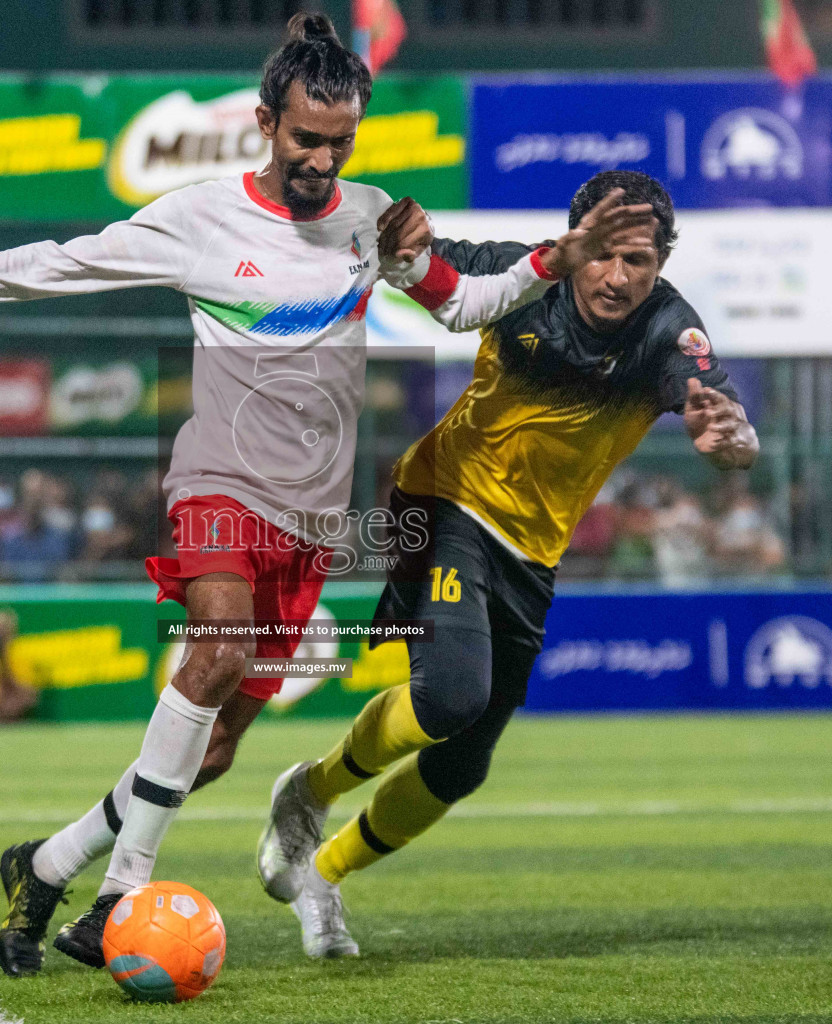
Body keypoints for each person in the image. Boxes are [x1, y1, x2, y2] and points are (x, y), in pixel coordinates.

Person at [0, 13, 655, 978]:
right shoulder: (200, 218)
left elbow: (460, 304)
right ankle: (121, 894)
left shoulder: (371, 217)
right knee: (217, 649)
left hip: (311, 518)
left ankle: (44, 865)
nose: (323, 160)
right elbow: (50, 266)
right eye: (305, 140)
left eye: (340, 142)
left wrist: (558, 258)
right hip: (220, 482)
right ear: (263, 122)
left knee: (209, 752)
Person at [256, 170, 760, 957]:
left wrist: (733, 439)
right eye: (603, 255)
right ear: (573, 243)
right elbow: (414, 263)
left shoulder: (670, 330)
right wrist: (376, 242)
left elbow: (723, 417)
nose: (619, 278)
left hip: (532, 551)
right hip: (443, 501)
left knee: (462, 765)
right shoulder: (518, 275)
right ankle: (310, 791)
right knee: (452, 695)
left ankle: (324, 871)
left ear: (662, 263)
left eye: (641, 261)